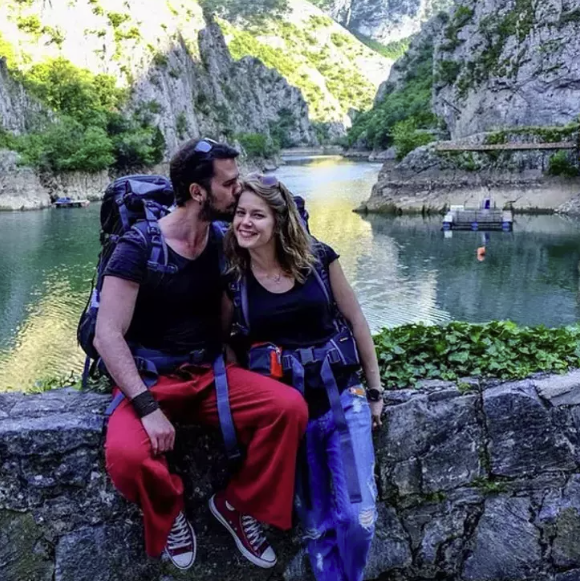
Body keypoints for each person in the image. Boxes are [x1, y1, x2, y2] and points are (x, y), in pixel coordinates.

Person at [94, 140, 308, 571]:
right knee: (128, 458)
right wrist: (147, 407)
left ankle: (237, 505)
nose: (239, 190)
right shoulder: (139, 245)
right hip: (149, 378)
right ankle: (169, 511)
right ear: (197, 192)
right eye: (229, 184)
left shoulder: (224, 243)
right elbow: (107, 335)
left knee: (288, 409)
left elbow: (268, 273)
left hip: (210, 374)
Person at [223, 174, 384, 581]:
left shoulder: (319, 259)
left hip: (342, 400)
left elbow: (356, 319)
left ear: (279, 220)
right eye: (240, 213)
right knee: (316, 527)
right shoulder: (234, 280)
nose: (245, 222)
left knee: (359, 518)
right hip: (289, 418)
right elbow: (223, 343)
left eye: (257, 215)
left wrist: (374, 390)